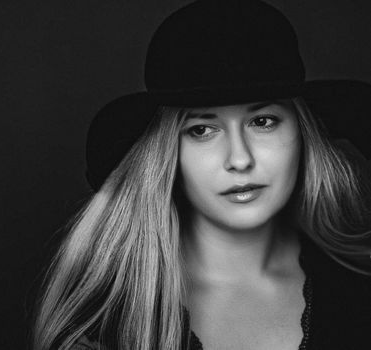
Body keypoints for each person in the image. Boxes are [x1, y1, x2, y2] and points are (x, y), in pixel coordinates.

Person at [32, 0, 371, 349]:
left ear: (303, 133)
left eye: (262, 121)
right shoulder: (104, 326)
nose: (240, 159)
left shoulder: (359, 289)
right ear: (166, 155)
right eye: (202, 130)